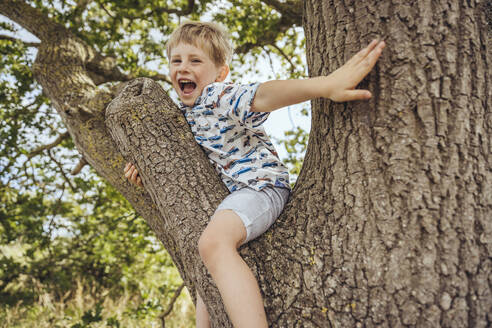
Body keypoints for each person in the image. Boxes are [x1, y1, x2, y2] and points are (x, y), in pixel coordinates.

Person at [124, 21, 385, 328]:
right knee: (205, 267)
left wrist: (323, 85)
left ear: (220, 73)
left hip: (260, 189)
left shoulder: (218, 96)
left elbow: (261, 95)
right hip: (236, 200)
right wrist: (146, 171)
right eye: (176, 61)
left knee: (213, 244)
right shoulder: (184, 117)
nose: (183, 67)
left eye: (195, 60)